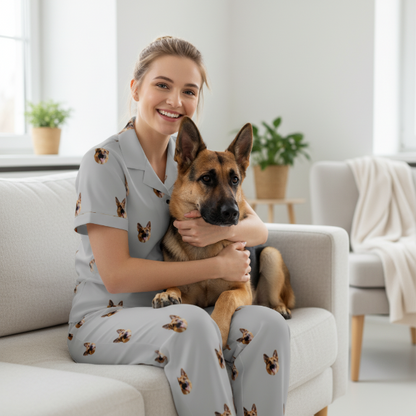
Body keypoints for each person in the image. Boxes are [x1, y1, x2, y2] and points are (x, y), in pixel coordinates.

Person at [67, 35, 290, 416]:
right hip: (106, 316)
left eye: (189, 90)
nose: (175, 101)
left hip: (177, 305)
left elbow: (258, 229)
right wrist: (218, 266)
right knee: (194, 326)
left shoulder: (191, 161)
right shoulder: (103, 162)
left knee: (269, 324)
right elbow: (116, 277)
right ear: (136, 88)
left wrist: (220, 232)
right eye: (162, 85)